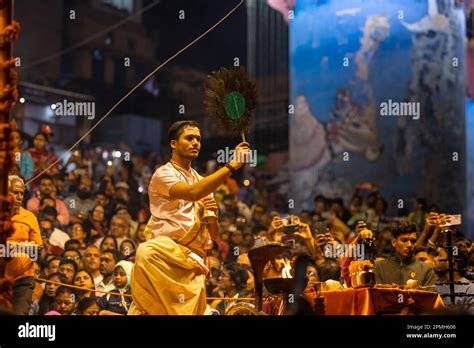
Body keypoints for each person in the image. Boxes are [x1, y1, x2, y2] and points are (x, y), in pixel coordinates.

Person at [129, 120, 251, 315]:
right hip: (165, 251)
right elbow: (192, 193)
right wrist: (232, 166)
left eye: (198, 139)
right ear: (173, 144)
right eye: (189, 138)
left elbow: (214, 234)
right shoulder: (163, 174)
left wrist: (212, 219)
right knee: (145, 251)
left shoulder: (202, 181)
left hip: (193, 259)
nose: (196, 143)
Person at [5, 175, 43, 315]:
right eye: (15, 192)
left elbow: (37, 250)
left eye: (22, 193)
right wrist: (25, 247)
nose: (19, 196)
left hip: (24, 278)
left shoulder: (30, 217)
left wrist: (30, 249)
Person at [374, 222, 436, 288]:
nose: (409, 245)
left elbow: (429, 297)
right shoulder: (380, 267)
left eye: (413, 241)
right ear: (394, 242)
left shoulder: (426, 270)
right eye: (404, 240)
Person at [434, 242, 474, 312]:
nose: (435, 259)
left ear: (452, 263)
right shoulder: (437, 283)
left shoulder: (470, 290)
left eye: (439, 256)